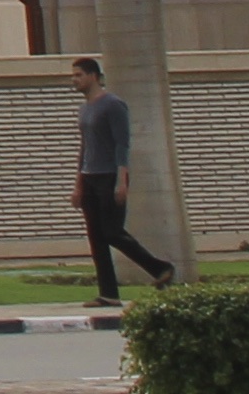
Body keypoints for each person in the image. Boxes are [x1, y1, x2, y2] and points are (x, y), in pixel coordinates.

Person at [72, 55, 178, 298]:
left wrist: (122, 180)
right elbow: (85, 146)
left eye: (79, 75)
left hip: (110, 176)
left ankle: (160, 267)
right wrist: (78, 184)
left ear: (93, 76)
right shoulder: (85, 108)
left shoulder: (113, 105)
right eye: (73, 75)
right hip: (90, 177)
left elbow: (122, 145)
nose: (74, 80)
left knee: (112, 232)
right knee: (96, 238)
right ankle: (108, 294)